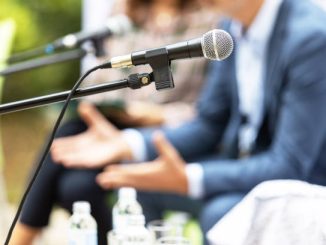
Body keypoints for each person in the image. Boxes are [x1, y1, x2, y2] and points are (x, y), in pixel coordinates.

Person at [47, 0, 326, 243]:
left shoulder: (310, 38)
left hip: (303, 186)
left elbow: (289, 164)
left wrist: (189, 179)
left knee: (222, 213)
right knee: (140, 188)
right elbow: (209, 124)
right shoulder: (229, 28)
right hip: (243, 166)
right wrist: (128, 144)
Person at [10, 1, 217, 245]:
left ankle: (19, 238)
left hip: (164, 133)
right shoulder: (125, 15)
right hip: (112, 124)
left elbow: (213, 112)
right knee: (76, 183)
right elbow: (100, 75)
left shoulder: (210, 23)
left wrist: (154, 115)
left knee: (73, 178)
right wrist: (102, 107)